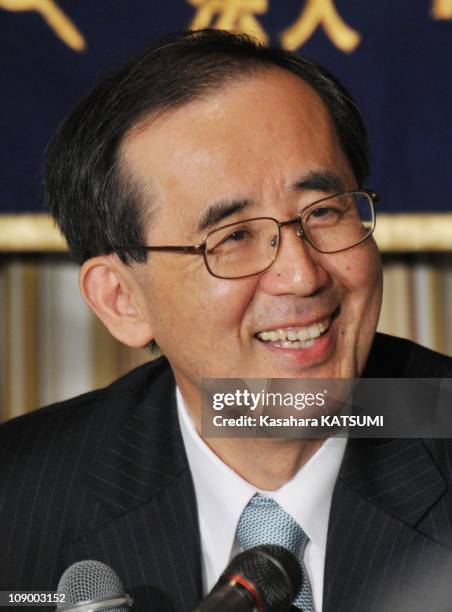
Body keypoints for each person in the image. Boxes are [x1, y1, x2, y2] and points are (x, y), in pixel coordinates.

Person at [1, 29, 451, 611]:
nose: (301, 274)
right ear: (121, 300)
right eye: (234, 236)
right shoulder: (17, 502)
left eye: (325, 211)